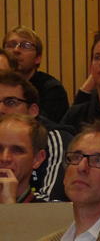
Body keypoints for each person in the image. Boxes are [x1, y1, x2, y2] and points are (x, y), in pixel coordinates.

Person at [0, 71, 73, 202]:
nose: (1, 109)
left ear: (33, 111)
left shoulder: (54, 138)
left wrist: (9, 204)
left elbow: (51, 203)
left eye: (10, 102)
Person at [3, 27, 69, 122]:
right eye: (11, 45)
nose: (16, 50)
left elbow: (45, 127)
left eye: (25, 45)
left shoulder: (52, 89)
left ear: (37, 58)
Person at [0, 114, 48, 203]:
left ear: (37, 159)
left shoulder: (49, 210)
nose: (4, 158)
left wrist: (8, 201)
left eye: (17, 150)